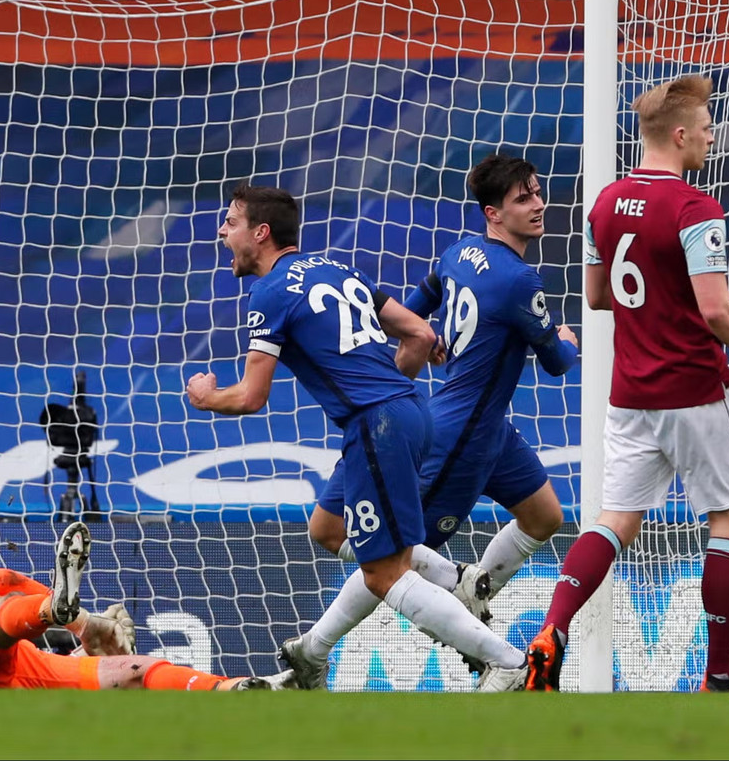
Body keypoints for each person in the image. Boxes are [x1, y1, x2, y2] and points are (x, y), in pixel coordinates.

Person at [187, 182, 530, 692]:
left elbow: (251, 397)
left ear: (260, 234)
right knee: (326, 527)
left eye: (231, 222)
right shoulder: (334, 268)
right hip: (399, 411)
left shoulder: (269, 292)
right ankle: (450, 580)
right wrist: (387, 390)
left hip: (378, 422)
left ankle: (509, 662)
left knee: (382, 575)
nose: (222, 230)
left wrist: (206, 395)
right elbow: (420, 333)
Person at [524, 74, 729, 694]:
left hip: (630, 392)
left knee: (613, 519)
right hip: (694, 388)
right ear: (678, 134)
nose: (711, 137)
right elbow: (717, 310)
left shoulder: (605, 202)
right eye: (704, 129)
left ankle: (552, 629)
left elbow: (595, 296)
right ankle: (721, 674)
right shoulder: (695, 208)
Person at [277, 156, 580, 689]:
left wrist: (424, 336)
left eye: (536, 193)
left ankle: (473, 591)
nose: (537, 205)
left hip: (486, 426)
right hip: (462, 439)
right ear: (493, 212)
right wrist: (570, 344)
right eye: (523, 199)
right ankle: (321, 648)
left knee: (544, 516)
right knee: (392, 562)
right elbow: (556, 363)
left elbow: (420, 303)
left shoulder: (459, 251)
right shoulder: (519, 279)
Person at [0, 507, 291, 690]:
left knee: (131, 669)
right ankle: (55, 608)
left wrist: (83, 651)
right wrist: (82, 623)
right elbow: (4, 580)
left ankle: (233, 688)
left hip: (1, 670)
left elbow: (14, 623)